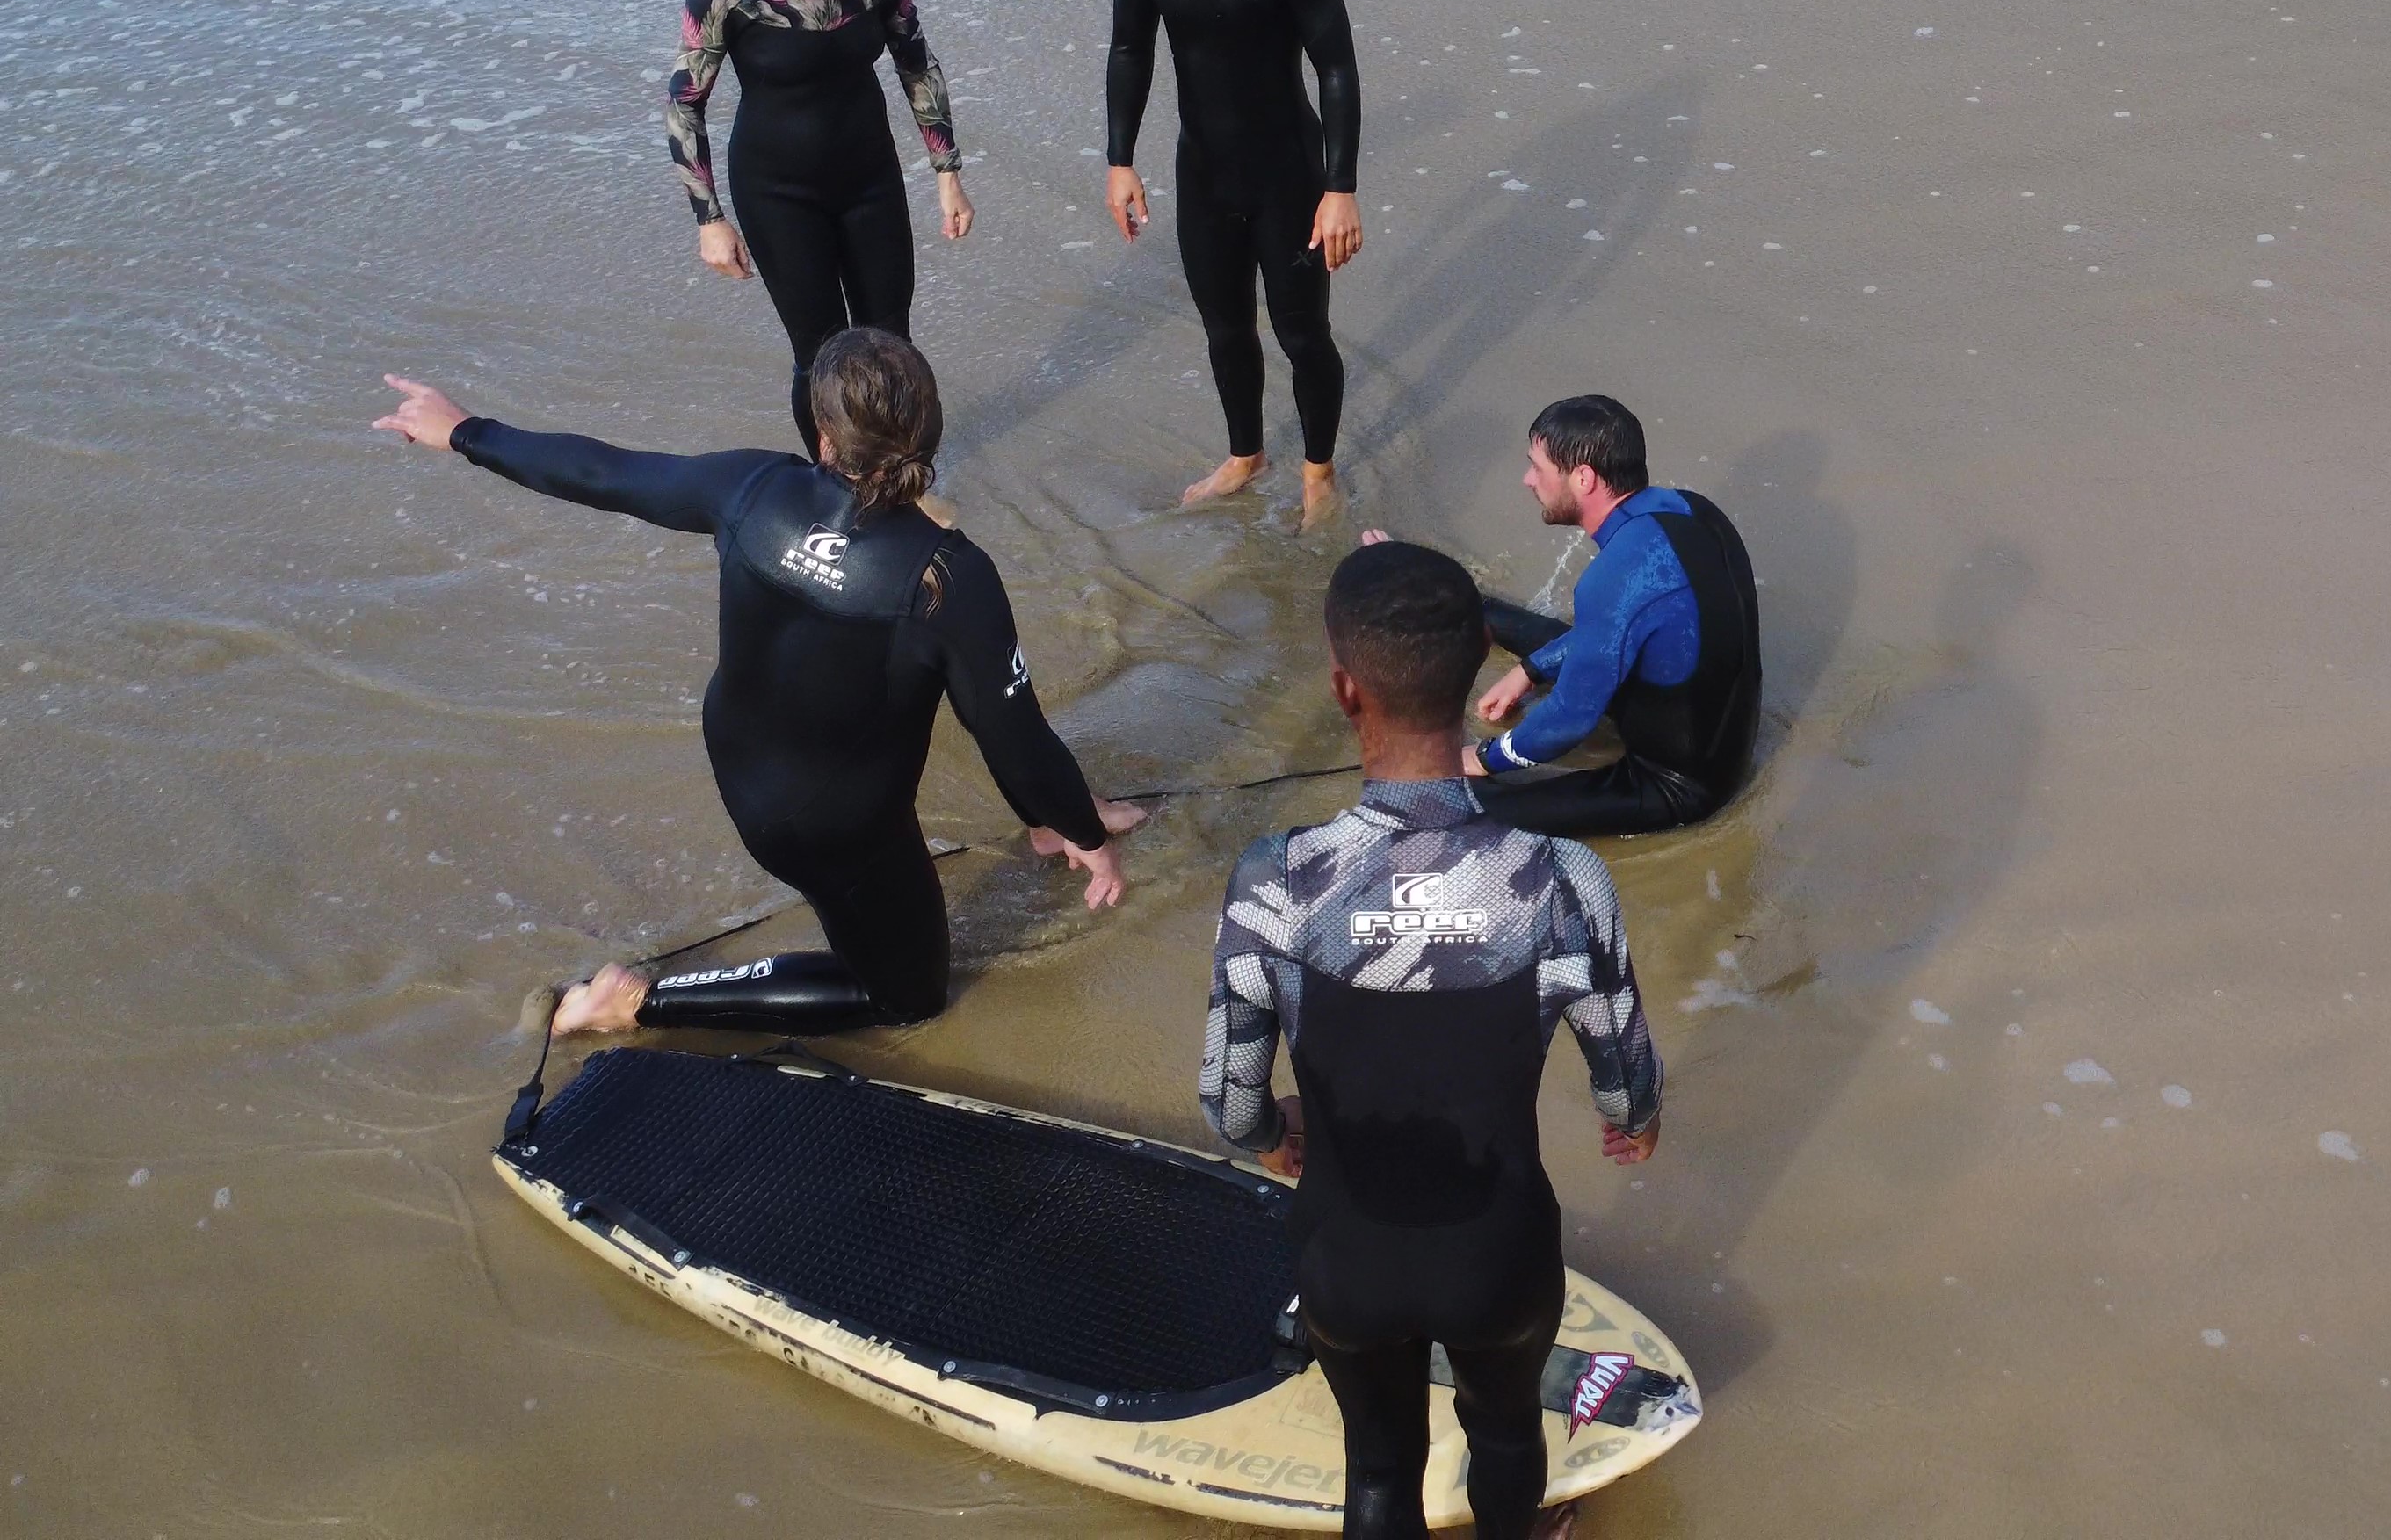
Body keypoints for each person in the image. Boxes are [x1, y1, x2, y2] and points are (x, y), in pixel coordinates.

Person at [372, 329, 1141, 1038]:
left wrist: (465, 431)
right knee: (907, 998)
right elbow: (1014, 739)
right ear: (930, 433)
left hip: (743, 770)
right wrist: (1083, 833)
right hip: (839, 826)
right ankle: (634, 1005)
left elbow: (602, 473)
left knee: (865, 890)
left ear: (824, 437)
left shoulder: (752, 488)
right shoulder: (948, 580)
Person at [1199, 542, 1661, 1540]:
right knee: (1505, 1433)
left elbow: (1229, 1106)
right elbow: (1626, 1081)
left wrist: (1276, 1132)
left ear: (1344, 688)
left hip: (1345, 1254)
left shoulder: (1277, 880)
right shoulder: (1561, 880)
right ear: (1475, 669)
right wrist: (1634, 1124)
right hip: (1498, 1254)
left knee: (1378, 1467)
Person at [670, 0, 975, 452]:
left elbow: (915, 60)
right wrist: (710, 220)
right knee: (820, 356)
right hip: (778, 192)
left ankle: (906, 482)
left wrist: (947, 173)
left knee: (892, 345)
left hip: (869, 178)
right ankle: (833, 487)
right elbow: (685, 100)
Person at [1104, 0, 1365, 524]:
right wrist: (1120, 160)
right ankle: (1246, 454)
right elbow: (1129, 49)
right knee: (1225, 328)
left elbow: (1336, 67)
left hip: (1289, 175)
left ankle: (1318, 474)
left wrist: (1339, 189)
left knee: (1302, 332)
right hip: (1204, 175)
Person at [1362, 396, 1761, 839]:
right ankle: (1425, 589)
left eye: (1538, 467)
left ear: (1583, 479)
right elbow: (1633, 617)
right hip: (1717, 733)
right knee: (1557, 635)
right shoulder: (1691, 509)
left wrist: (1480, 758)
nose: (1528, 480)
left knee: (1447, 807)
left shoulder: (1616, 575)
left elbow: (1568, 722)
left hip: (1676, 785)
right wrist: (1530, 671)